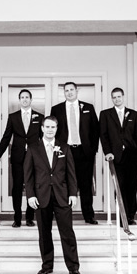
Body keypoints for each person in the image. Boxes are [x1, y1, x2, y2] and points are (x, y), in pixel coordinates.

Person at [24, 116, 81, 274]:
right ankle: (47, 265)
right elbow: (28, 175)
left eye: (53, 127)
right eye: (47, 127)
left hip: (62, 195)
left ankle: (73, 267)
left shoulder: (64, 147)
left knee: (67, 232)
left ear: (57, 129)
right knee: (44, 233)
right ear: (42, 128)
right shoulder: (33, 148)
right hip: (41, 197)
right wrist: (30, 195)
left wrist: (72, 193)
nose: (50, 130)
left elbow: (71, 173)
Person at [50, 82, 100, 225]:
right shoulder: (57, 109)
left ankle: (89, 216)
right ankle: (64, 216)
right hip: (65, 152)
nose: (69, 92)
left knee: (85, 184)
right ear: (64, 92)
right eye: (66, 90)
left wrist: (92, 150)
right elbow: (53, 131)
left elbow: (95, 130)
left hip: (84, 152)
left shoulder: (88, 108)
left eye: (72, 90)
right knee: (64, 184)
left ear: (77, 91)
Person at [0, 89, 43, 228]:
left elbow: (43, 137)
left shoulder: (39, 117)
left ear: (31, 99)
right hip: (18, 157)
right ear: (19, 100)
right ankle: (17, 218)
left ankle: (29, 217)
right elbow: (6, 136)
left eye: (27, 97)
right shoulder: (13, 117)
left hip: (35, 157)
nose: (24, 99)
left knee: (33, 186)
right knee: (17, 187)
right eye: (22, 97)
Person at [99, 87, 137, 226]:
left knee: (132, 186)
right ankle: (121, 216)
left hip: (132, 156)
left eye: (119, 96)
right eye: (114, 97)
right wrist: (107, 152)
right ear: (111, 99)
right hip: (116, 156)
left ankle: (130, 216)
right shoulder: (105, 114)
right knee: (119, 187)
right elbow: (103, 135)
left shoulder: (134, 114)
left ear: (123, 97)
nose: (117, 99)